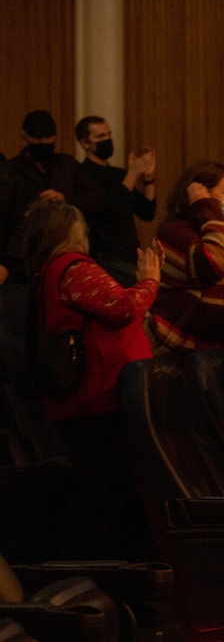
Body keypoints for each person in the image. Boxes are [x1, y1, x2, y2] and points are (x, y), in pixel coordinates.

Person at [23, 199, 161, 560]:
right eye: (82, 230)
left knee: (100, 495)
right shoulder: (73, 267)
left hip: (86, 400)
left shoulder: (50, 271)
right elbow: (123, 308)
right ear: (69, 232)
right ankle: (100, 579)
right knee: (105, 499)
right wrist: (149, 282)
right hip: (98, 398)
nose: (87, 236)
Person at [148, 160, 224, 357]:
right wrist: (206, 207)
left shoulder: (213, 233)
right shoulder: (174, 233)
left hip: (216, 354)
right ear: (201, 196)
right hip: (181, 353)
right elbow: (217, 263)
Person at [0, 110, 103, 286]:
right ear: (25, 137)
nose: (43, 142)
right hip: (21, 258)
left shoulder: (67, 165)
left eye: (48, 137)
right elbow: (3, 217)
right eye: (37, 138)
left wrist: (65, 198)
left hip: (63, 251)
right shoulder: (11, 170)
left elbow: (96, 199)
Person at [75, 115, 157, 286]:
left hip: (130, 254)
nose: (107, 140)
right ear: (85, 143)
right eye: (100, 137)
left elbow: (147, 211)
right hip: (107, 259)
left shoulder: (118, 174)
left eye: (108, 135)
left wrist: (148, 178)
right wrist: (132, 174)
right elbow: (109, 212)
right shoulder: (82, 175)